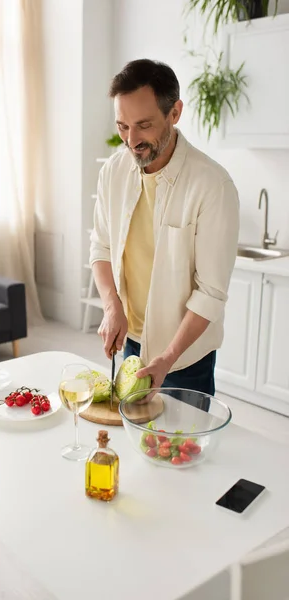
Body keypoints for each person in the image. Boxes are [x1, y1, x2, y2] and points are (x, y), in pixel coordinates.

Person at [90, 58, 239, 397]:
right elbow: (101, 248)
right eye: (122, 126)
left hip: (185, 361)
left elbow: (211, 293)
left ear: (175, 113)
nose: (131, 140)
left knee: (180, 449)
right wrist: (113, 307)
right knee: (131, 446)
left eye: (144, 125)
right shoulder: (113, 172)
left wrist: (168, 357)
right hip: (131, 345)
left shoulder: (212, 185)